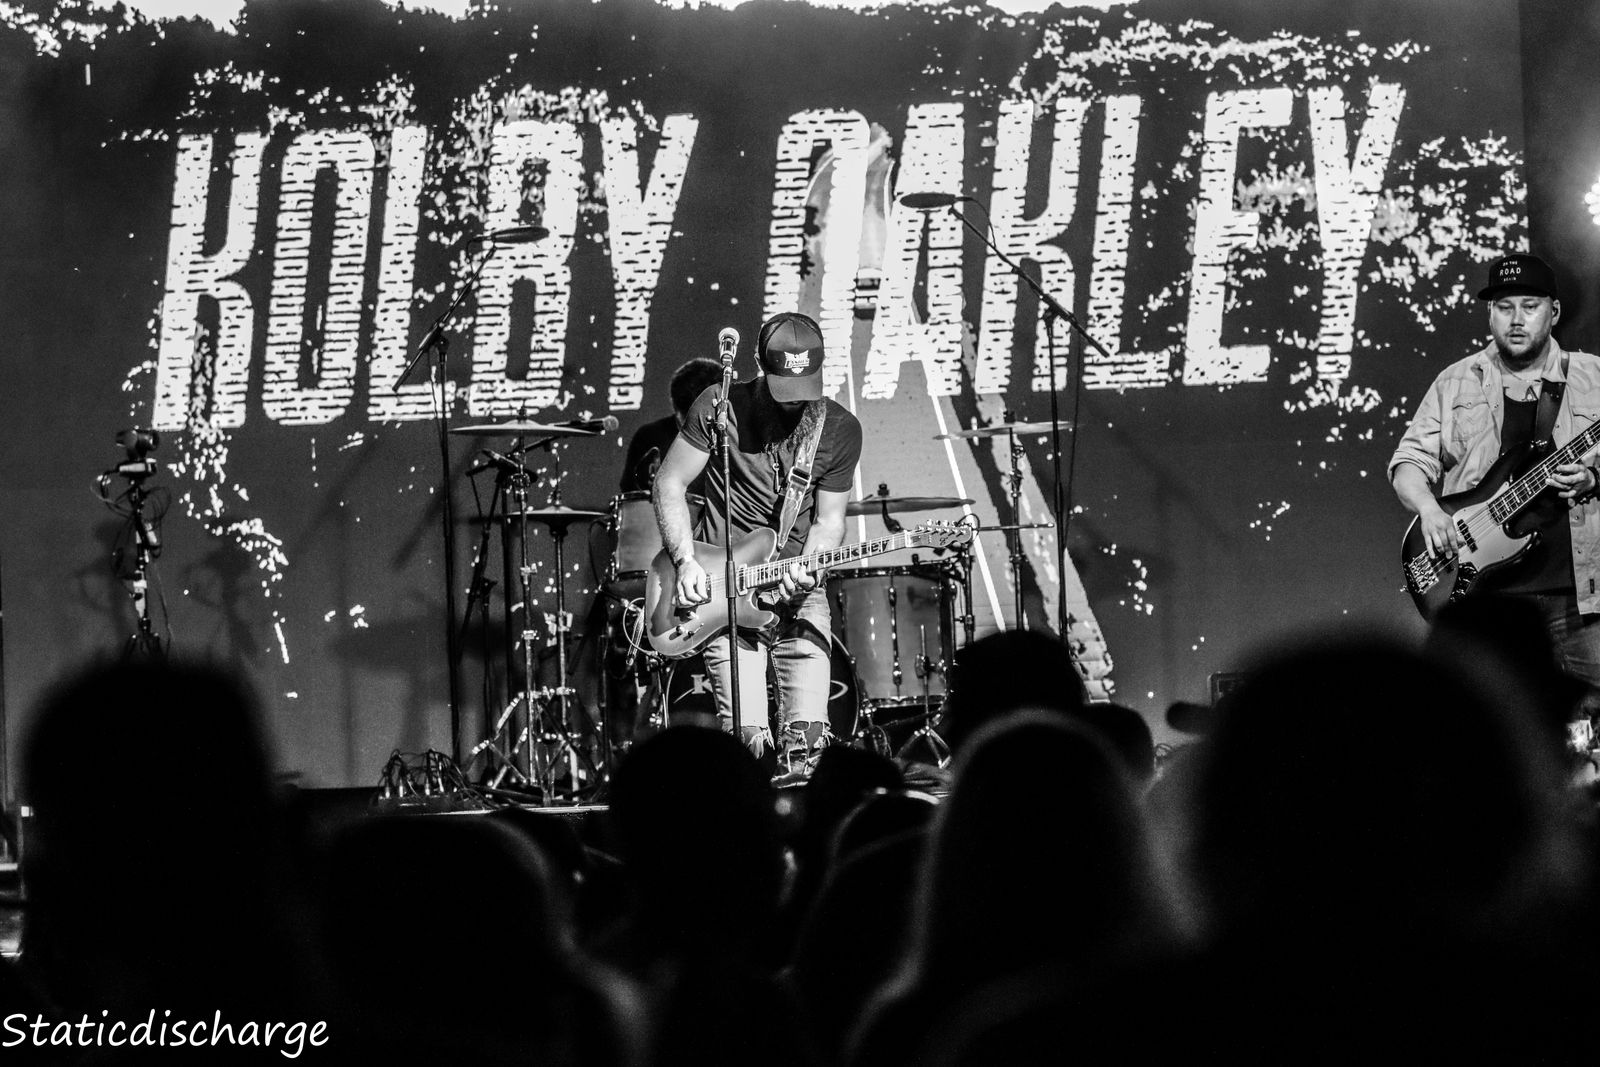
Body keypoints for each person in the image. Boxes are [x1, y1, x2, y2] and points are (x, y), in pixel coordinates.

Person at [652, 311, 862, 769]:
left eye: (804, 388)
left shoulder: (839, 428)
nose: (794, 403)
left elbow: (829, 521)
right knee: (747, 746)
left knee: (809, 744)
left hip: (799, 596)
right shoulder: (718, 406)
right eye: (785, 389)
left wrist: (811, 567)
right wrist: (685, 560)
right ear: (758, 364)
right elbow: (669, 483)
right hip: (727, 596)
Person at [1391, 252, 1600, 685]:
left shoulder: (1594, 377)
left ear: (1554, 311)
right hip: (1486, 603)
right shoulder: (1455, 381)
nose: (1516, 319)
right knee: (1494, 718)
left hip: (1581, 599)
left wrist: (1593, 477)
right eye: (1504, 308)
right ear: (1490, 314)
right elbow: (1409, 463)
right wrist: (1430, 511)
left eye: (1530, 306)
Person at [619, 356, 723, 493]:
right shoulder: (649, 436)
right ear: (675, 409)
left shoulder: (740, 438)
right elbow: (631, 493)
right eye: (691, 425)